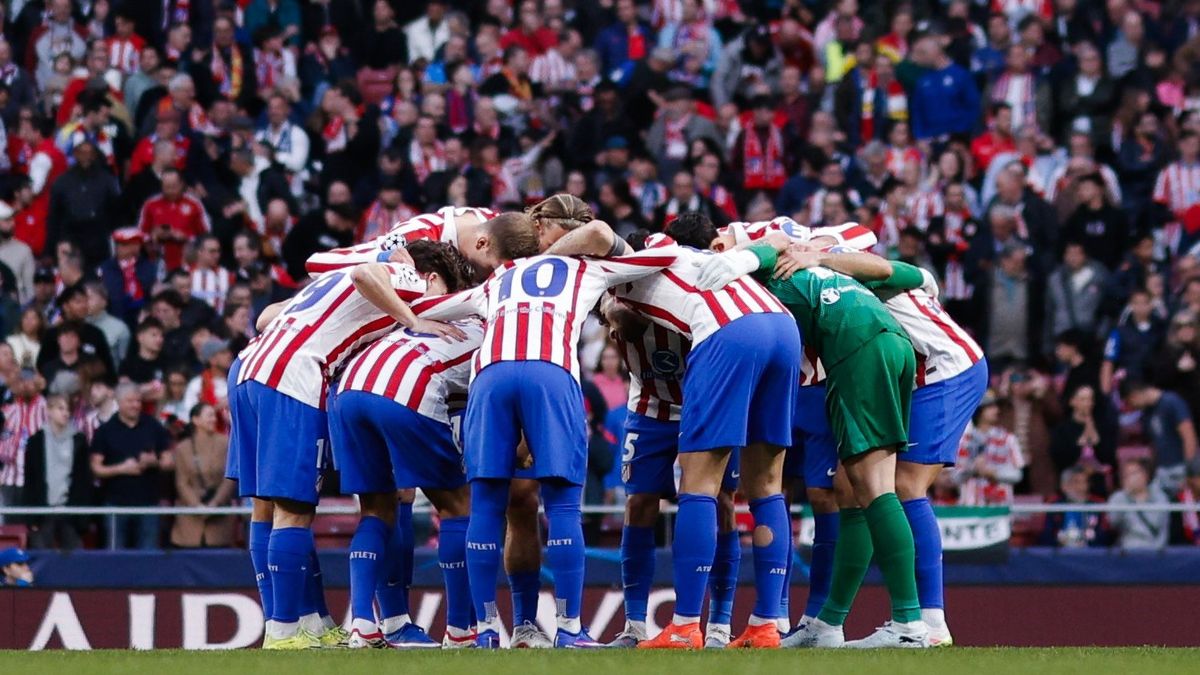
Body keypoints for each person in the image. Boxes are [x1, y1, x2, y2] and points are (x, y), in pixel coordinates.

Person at [229, 240, 480, 650]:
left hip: (251, 366)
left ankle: (307, 621)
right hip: (293, 376)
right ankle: (282, 632)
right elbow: (367, 275)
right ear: (432, 278)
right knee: (294, 508)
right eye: (447, 295)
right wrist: (413, 318)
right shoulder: (407, 276)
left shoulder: (329, 282)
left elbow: (266, 317)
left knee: (266, 505)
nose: (446, 307)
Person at [698, 239, 927, 648]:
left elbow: (768, 250)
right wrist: (928, 279)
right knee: (849, 490)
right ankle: (828, 624)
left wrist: (738, 259)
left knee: (875, 487)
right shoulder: (829, 270)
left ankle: (909, 623)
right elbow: (906, 274)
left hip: (858, 350)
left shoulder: (762, 275)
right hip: (893, 343)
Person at [329, 267, 479, 648]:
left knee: (376, 509)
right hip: (406, 390)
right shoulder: (489, 329)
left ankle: (362, 621)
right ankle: (462, 630)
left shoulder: (419, 314)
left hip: (349, 390)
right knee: (457, 505)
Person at [89, 383, 174, 550]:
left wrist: (153, 462)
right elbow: (95, 468)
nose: (135, 405)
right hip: (115, 504)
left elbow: (169, 462)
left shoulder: (153, 426)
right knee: (115, 555)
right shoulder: (105, 431)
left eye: (138, 401)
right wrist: (122, 469)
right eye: (130, 401)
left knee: (148, 556)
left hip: (148, 504)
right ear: (119, 402)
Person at [20, 394, 92, 549]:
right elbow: (30, 481)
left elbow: (83, 481)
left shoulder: (79, 440)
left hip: (70, 511)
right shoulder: (36, 442)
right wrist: (31, 517)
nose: (65, 413)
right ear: (49, 411)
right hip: (43, 511)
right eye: (60, 408)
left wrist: (82, 518)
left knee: (75, 560)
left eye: (67, 409)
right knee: (42, 556)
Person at [170, 403, 236, 548]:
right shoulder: (183, 447)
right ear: (195, 419)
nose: (213, 419)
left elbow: (229, 478)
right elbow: (181, 482)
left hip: (219, 519)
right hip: (190, 520)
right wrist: (197, 505)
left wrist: (215, 503)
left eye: (214, 415)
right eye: (209, 415)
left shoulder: (226, 443)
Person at [1120, 380, 1198, 495]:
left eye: (1130, 402)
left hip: (1181, 467)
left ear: (1134, 396)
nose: (1133, 407)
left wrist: (1190, 470)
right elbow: (1154, 444)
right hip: (1162, 470)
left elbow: (1189, 435)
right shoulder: (1147, 413)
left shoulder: (1172, 402)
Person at [955, 393, 1027, 505]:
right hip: (969, 508)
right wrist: (973, 469)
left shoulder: (1008, 439)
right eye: (990, 407)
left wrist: (994, 473)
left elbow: (1018, 474)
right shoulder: (964, 440)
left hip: (999, 507)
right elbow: (955, 477)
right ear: (978, 410)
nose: (996, 410)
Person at [1107, 458, 1170, 551]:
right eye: (1125, 474)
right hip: (1129, 551)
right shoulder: (1118, 497)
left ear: (1145, 475)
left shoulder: (1160, 497)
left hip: (1156, 551)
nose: (1128, 477)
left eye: (1132, 473)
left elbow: (1160, 525)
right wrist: (1126, 496)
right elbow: (1113, 522)